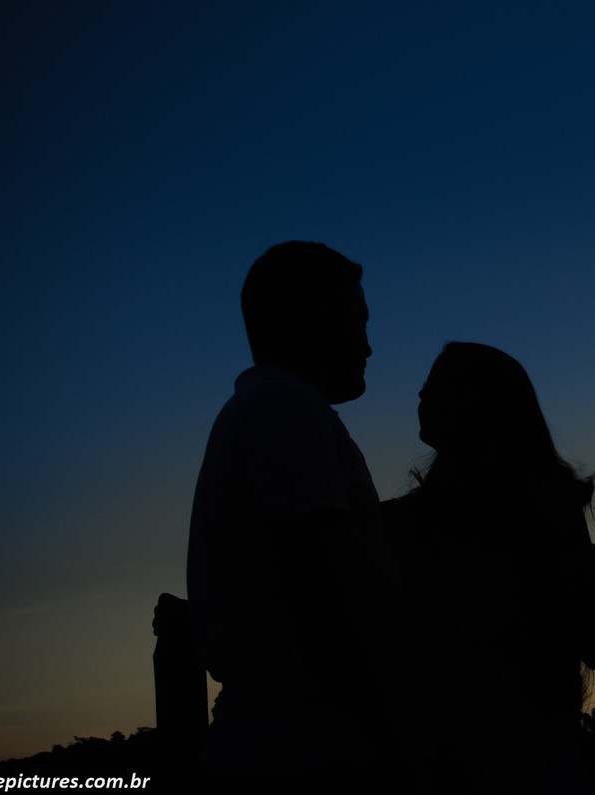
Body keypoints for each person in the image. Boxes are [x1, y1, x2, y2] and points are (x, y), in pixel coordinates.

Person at [186, 241, 407, 789]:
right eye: (357, 322)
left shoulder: (270, 410)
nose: (369, 346)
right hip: (306, 760)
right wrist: (389, 740)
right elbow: (317, 592)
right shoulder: (288, 414)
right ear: (313, 321)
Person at [383, 341, 595, 794]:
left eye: (435, 388)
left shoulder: (401, 526)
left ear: (478, 403)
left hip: (504, 761)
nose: (420, 397)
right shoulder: (549, 506)